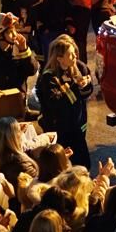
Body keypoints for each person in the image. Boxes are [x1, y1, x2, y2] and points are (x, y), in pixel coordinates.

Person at [37, 34, 95, 169]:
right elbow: (56, 104)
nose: (75, 56)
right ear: (59, 59)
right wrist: (75, 85)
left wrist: (85, 85)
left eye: (74, 52)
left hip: (77, 126)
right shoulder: (48, 78)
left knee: (84, 164)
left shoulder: (80, 67)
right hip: (60, 130)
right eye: (70, 54)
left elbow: (87, 92)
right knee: (63, 167)